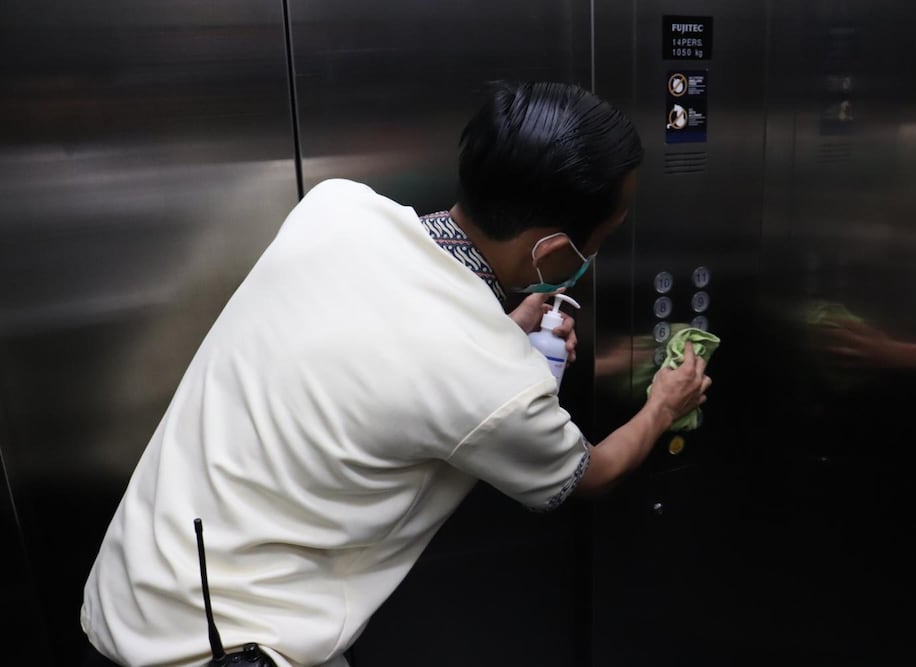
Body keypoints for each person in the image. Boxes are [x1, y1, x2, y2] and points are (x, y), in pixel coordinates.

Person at [81, 81, 711, 667]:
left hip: (132, 589)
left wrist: (495, 336)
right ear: (551, 251)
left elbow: (379, 337)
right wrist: (664, 402)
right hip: (225, 649)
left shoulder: (335, 206)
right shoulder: (500, 389)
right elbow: (590, 474)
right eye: (603, 237)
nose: (597, 252)